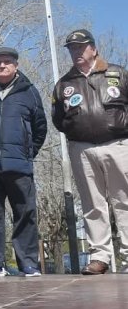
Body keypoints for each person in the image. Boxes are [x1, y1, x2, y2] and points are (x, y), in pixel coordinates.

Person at [52, 29, 128, 275]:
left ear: (93, 48)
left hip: (117, 144)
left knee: (124, 201)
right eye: (72, 48)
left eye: (81, 47)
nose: (77, 52)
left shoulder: (117, 73)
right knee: (92, 204)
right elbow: (57, 119)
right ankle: (100, 256)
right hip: (82, 149)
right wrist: (77, 131)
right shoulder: (64, 83)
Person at [0, 47, 47, 278]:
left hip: (20, 166)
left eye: (7, 62)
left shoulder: (29, 92)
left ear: (16, 65)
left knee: (25, 214)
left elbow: (40, 127)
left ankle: (28, 264)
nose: (2, 66)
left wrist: (26, 152)